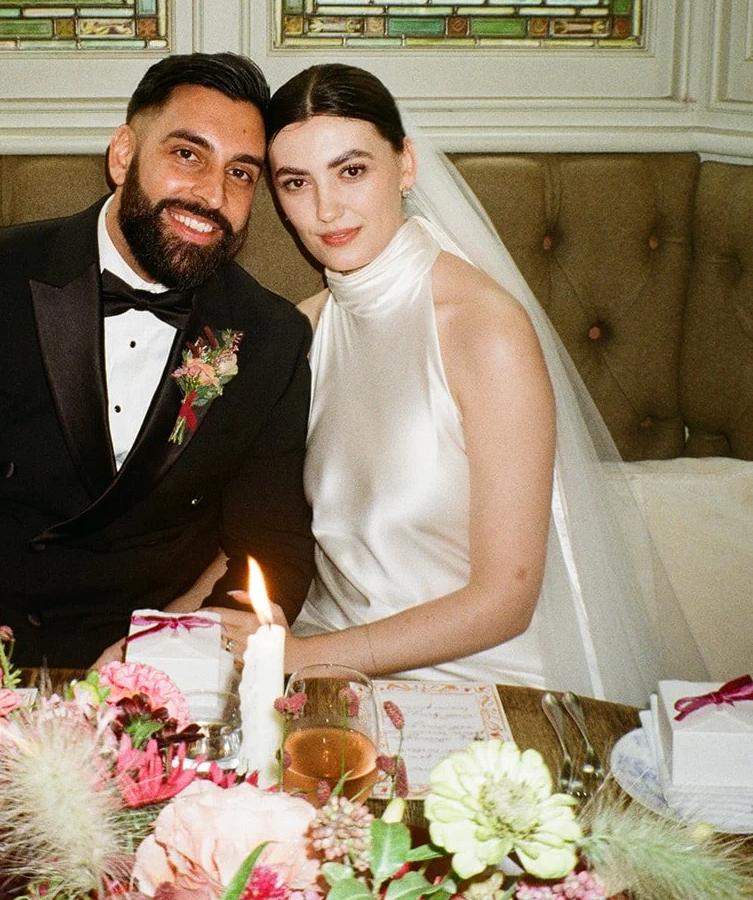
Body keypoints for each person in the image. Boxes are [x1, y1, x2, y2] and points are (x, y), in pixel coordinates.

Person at [219, 63, 706, 706]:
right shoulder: (303, 332)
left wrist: (304, 657)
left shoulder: (484, 331)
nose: (326, 208)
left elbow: (506, 600)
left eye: (353, 170)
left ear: (407, 164)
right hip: (324, 676)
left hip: (480, 689)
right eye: (296, 182)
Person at [0, 52, 315, 668]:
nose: (211, 194)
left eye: (242, 174)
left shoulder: (270, 337)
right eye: (186, 154)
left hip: (142, 671)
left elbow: (273, 546)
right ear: (123, 155)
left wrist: (177, 654)